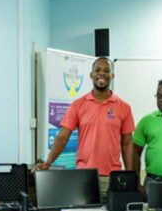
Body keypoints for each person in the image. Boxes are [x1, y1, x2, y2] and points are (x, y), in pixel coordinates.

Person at [33, 57, 135, 200]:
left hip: (111, 177)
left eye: (106, 71)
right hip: (84, 177)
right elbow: (62, 137)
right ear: (91, 75)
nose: (102, 74)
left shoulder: (124, 107)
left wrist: (129, 175)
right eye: (97, 70)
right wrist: (48, 162)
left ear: (112, 76)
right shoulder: (78, 105)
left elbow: (127, 143)